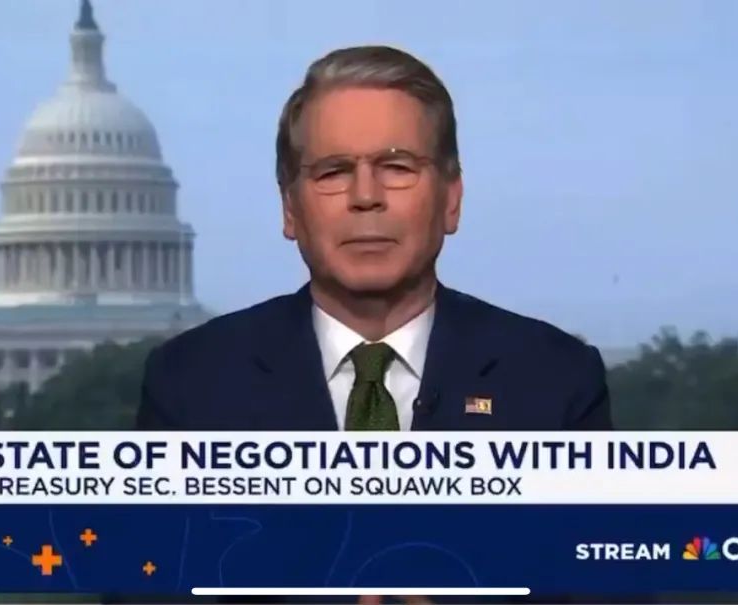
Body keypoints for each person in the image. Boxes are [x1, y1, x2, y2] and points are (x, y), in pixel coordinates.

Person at [135, 45, 613, 604]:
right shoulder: (192, 387)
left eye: (397, 168)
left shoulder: (554, 382)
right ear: (290, 208)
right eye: (334, 172)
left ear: (451, 199)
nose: (366, 197)